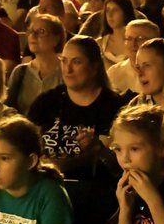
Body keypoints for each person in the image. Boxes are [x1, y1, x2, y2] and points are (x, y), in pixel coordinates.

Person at [27, 36, 125, 181]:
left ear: (95, 67)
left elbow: (117, 160)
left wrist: (94, 149)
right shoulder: (47, 101)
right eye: (64, 61)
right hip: (44, 184)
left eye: (76, 62)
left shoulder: (113, 106)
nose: (68, 69)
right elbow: (25, 142)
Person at [6, 13, 64, 115]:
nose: (33, 35)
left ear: (56, 39)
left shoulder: (65, 71)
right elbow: (9, 110)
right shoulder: (20, 72)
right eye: (31, 31)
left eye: (41, 31)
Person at [106, 19, 160, 96]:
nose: (133, 44)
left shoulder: (162, 72)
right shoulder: (114, 73)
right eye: (129, 39)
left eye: (140, 38)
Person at [96, 0, 139, 68]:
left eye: (115, 10)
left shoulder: (136, 42)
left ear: (125, 12)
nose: (110, 15)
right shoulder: (99, 43)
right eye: (107, 11)